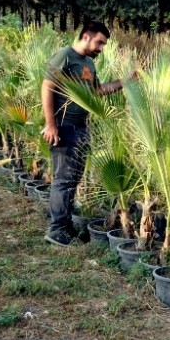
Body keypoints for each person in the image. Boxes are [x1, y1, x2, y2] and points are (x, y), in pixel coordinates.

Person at [41, 20, 129, 246]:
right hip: (64, 126)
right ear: (86, 37)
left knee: (73, 178)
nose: (101, 47)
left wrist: (124, 82)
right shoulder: (65, 56)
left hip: (81, 127)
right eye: (99, 42)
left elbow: (97, 91)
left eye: (104, 44)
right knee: (63, 179)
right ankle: (56, 229)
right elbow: (47, 86)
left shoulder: (88, 62)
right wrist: (51, 124)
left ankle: (66, 224)